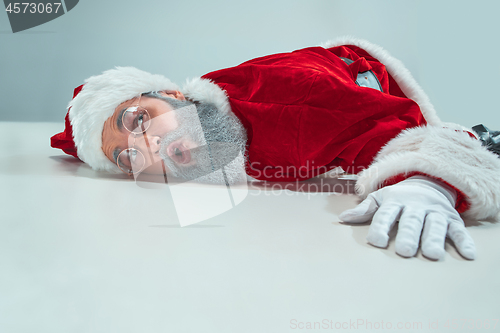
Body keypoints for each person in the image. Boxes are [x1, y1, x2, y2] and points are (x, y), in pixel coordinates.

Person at [51, 37, 500, 261]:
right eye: (127, 157)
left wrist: (427, 179)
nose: (145, 147)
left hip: (356, 74)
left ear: (173, 93)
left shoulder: (294, 105)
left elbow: (403, 128)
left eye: (138, 119)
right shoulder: (201, 147)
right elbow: (78, 144)